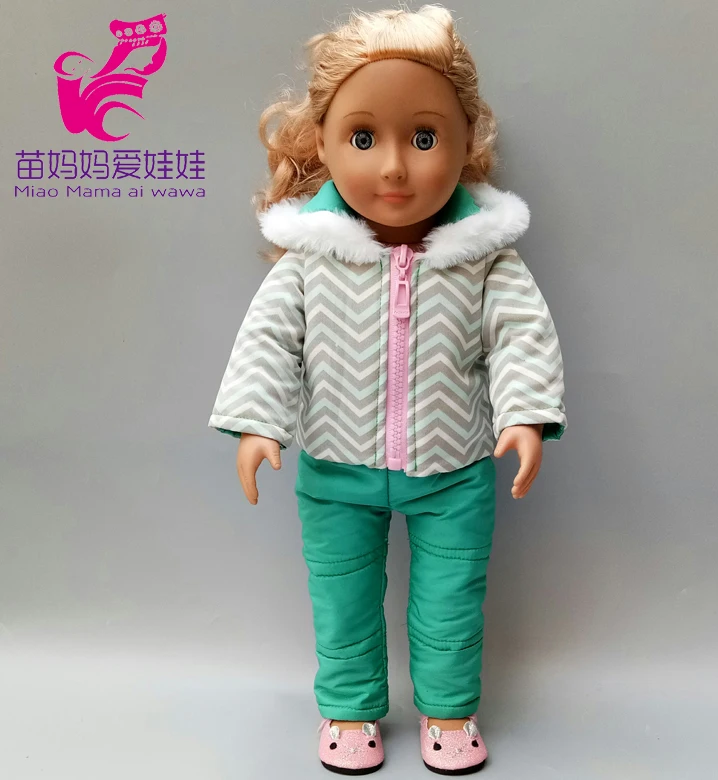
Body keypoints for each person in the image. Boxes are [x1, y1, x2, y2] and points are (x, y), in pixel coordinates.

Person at [208, 5, 567, 774]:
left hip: (455, 470)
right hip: (336, 469)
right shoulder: (312, 261)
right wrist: (257, 422)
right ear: (323, 143)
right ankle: (348, 708)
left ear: (467, 141)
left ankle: (449, 708)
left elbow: (521, 335)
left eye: (425, 138)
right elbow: (269, 340)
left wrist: (526, 414)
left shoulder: (484, 260)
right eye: (364, 138)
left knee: (451, 600)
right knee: (340, 599)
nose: (395, 168)